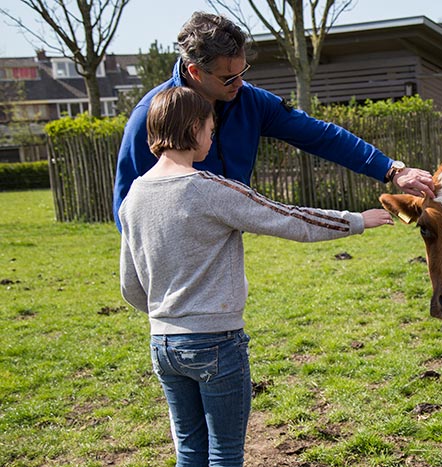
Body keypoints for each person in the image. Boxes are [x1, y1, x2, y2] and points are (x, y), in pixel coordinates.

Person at [118, 86, 394, 467]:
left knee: (189, 452)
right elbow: (287, 218)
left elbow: (131, 285)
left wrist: (167, 316)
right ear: (195, 129)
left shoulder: (133, 196)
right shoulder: (211, 189)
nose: (213, 138)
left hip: (162, 344)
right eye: (211, 130)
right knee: (225, 453)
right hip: (216, 343)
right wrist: (357, 221)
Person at [113, 11, 435, 232]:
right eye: (228, 77)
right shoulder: (150, 117)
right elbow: (129, 206)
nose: (239, 83)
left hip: (226, 247)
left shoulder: (249, 102)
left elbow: (319, 135)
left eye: (243, 72)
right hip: (179, 251)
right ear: (196, 72)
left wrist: (391, 169)